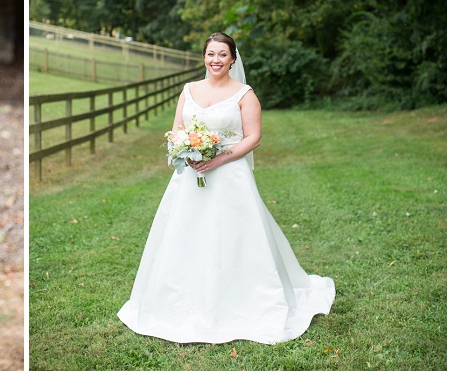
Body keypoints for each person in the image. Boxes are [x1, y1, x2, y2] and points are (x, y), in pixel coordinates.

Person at [117, 32, 334, 344]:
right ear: (203, 57)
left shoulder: (244, 94)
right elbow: (177, 130)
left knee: (233, 238)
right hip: (190, 176)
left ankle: (243, 301)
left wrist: (218, 159)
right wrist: (185, 150)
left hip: (230, 178)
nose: (215, 60)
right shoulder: (188, 91)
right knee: (185, 234)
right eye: (210, 54)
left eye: (222, 54)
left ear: (233, 59)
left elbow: (253, 137)